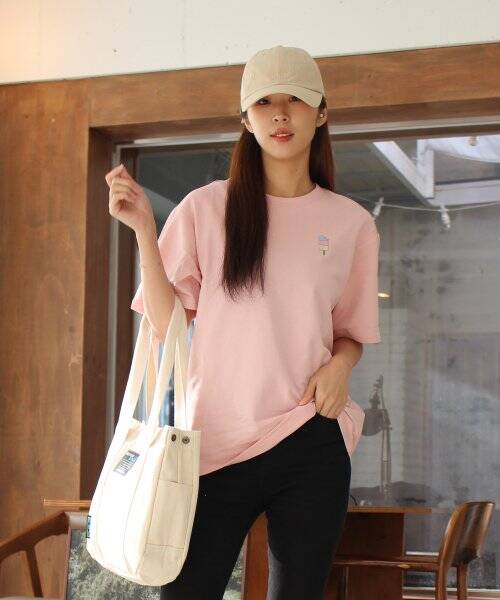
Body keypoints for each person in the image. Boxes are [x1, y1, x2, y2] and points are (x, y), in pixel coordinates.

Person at [106, 45, 381, 600]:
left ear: (321, 112)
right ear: (246, 119)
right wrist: (143, 232)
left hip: (308, 434)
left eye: (295, 99)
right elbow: (167, 324)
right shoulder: (205, 208)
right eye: (264, 102)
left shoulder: (351, 223)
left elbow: (351, 331)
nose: (280, 114)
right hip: (211, 442)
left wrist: (341, 367)